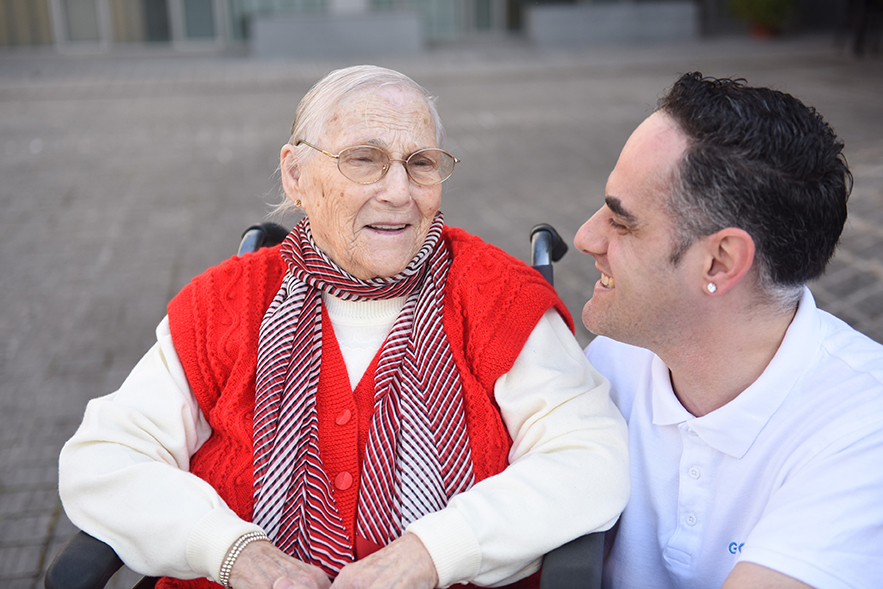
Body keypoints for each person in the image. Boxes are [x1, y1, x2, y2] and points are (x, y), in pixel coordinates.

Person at [59, 65, 630, 589]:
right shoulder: (224, 304)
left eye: (421, 163)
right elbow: (105, 459)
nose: (399, 192)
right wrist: (235, 553)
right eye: (364, 159)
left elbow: (589, 456)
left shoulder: (498, 300)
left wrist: (430, 554)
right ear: (295, 175)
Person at [575, 71, 883, 589]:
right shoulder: (612, 362)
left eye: (622, 222)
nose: (585, 237)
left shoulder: (864, 430)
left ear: (720, 262)